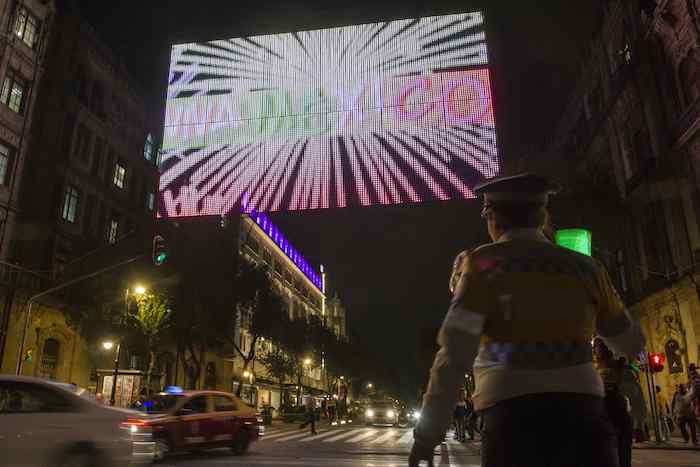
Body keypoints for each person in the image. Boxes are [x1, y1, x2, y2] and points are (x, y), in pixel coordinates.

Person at [409, 173, 645, 467]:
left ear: (493, 217)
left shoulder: (481, 265)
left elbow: (454, 355)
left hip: (511, 419)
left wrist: (427, 435)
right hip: (583, 416)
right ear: (542, 215)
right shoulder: (585, 267)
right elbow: (629, 342)